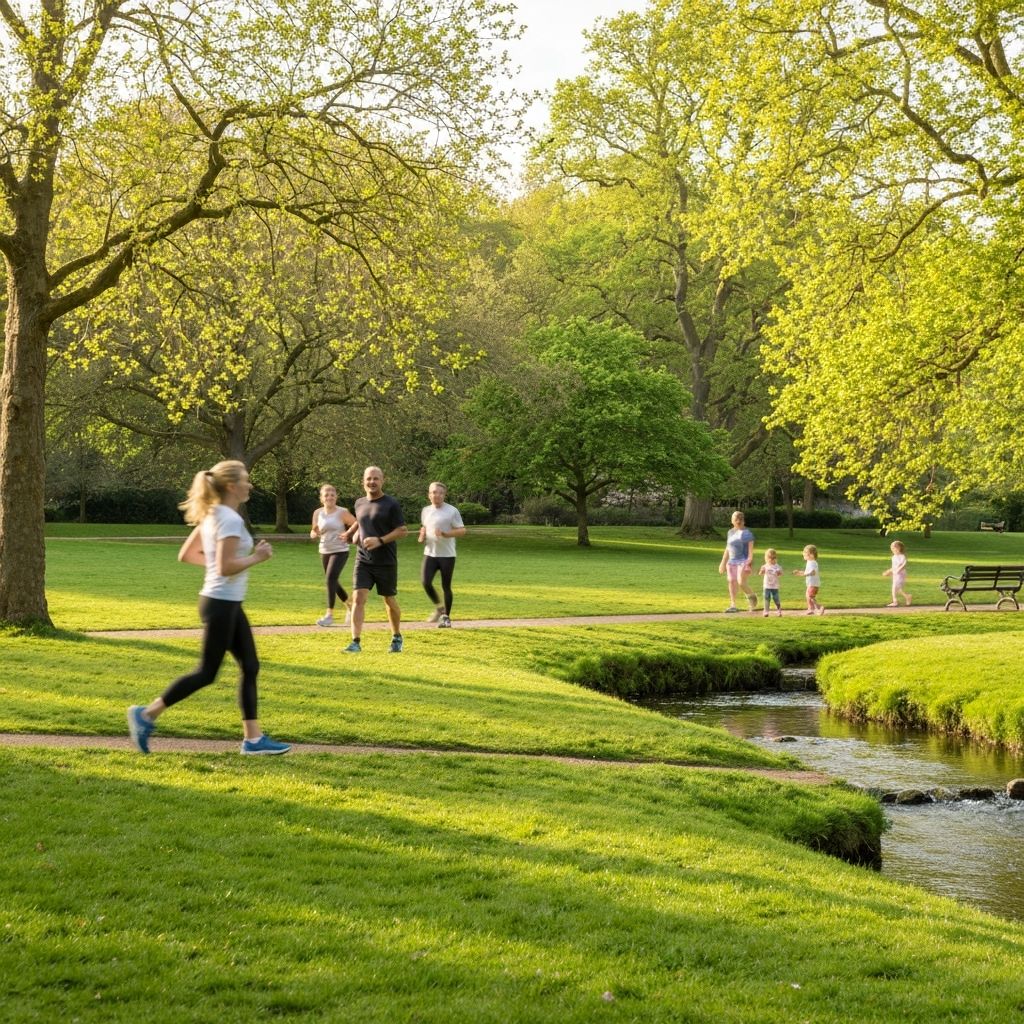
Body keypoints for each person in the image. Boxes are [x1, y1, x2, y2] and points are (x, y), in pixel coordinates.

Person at [127, 460, 290, 755]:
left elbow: (187, 554)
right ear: (232, 486)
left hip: (224, 602)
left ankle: (253, 740)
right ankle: (146, 714)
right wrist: (257, 557)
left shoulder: (212, 515)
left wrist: (217, 567)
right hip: (222, 604)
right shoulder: (229, 519)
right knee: (206, 672)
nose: (249, 485)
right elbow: (226, 566)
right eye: (245, 480)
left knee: (250, 666)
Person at [344, 466, 409, 654]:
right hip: (363, 559)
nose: (372, 482)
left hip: (385, 561)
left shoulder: (391, 504)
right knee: (358, 597)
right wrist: (352, 533)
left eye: (376, 478)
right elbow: (361, 520)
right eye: (368, 478)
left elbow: (402, 531)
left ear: (382, 480)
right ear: (363, 481)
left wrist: (379, 540)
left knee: (388, 599)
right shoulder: (359, 503)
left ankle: (396, 636)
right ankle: (355, 641)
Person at [418, 481, 466, 628]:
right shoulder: (425, 510)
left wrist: (445, 534)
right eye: (434, 492)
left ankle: (446, 617)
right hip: (430, 553)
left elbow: (462, 530)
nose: (436, 495)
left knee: (446, 586)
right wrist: (422, 534)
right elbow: (425, 527)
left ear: (444, 495)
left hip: (447, 555)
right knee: (426, 582)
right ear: (429, 495)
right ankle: (440, 608)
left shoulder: (452, 511)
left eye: (440, 493)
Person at [310, 483, 357, 627]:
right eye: (326, 495)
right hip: (324, 550)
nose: (329, 497)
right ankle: (350, 605)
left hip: (340, 550)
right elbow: (313, 530)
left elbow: (356, 523)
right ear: (322, 498)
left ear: (336, 497)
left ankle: (329, 615)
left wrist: (348, 533)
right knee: (333, 581)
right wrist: (314, 533)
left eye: (332, 495)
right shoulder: (318, 513)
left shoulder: (342, 512)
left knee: (330, 578)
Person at [719, 510, 757, 613]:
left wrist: (749, 562)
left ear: (743, 520)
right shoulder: (730, 532)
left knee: (741, 582)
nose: (738, 521)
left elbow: (750, 550)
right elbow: (728, 548)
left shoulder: (747, 533)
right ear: (732, 521)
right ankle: (733, 605)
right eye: (736, 519)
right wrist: (723, 562)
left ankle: (752, 597)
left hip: (743, 560)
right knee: (731, 581)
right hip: (731, 561)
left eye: (740, 519)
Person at [793, 543, 825, 615]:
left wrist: (804, 574)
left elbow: (812, 572)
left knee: (810, 596)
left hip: (813, 584)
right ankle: (810, 609)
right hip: (811, 583)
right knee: (808, 595)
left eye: (805, 553)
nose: (803, 554)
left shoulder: (813, 563)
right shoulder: (809, 562)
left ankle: (820, 607)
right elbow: (807, 572)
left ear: (811, 555)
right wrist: (799, 573)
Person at [883, 540, 911, 607]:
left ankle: (897, 600)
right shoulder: (893, 557)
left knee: (895, 587)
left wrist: (899, 570)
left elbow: (904, 564)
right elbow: (893, 567)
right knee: (896, 588)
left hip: (901, 574)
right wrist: (889, 571)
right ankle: (906, 597)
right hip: (895, 574)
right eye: (892, 548)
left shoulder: (902, 556)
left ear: (899, 548)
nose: (893, 550)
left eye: (894, 548)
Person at [758, 548, 784, 617]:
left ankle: (779, 610)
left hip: (775, 585)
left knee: (776, 598)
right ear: (766, 558)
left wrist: (779, 572)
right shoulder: (765, 566)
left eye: (774, 558)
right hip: (767, 585)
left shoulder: (777, 566)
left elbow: (781, 574)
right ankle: (766, 611)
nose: (772, 559)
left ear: (776, 558)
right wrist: (762, 571)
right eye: (770, 558)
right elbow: (760, 573)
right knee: (766, 598)